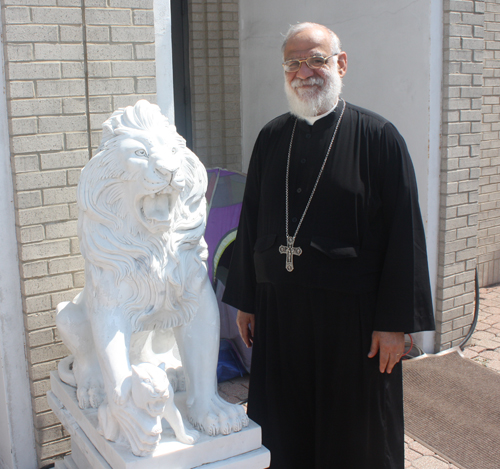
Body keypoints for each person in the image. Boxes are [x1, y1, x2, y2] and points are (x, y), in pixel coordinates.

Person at [222, 22, 435, 469]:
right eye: (293, 63)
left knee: (355, 440)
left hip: (354, 326)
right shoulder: (271, 137)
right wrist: (247, 301)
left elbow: (405, 236)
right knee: (285, 432)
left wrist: (395, 323)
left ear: (340, 64)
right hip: (282, 317)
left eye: (316, 59)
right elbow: (253, 220)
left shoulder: (379, 138)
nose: (304, 71)